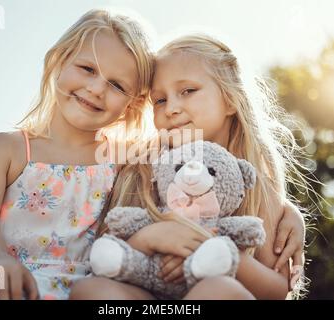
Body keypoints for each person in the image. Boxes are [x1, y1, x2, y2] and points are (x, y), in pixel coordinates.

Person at [69, 33, 306, 300]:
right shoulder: (144, 172)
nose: (171, 108)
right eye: (160, 100)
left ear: (229, 99)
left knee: (217, 290)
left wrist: (222, 253)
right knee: (91, 290)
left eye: (188, 91)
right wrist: (149, 238)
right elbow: (110, 257)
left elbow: (279, 288)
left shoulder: (255, 188)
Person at [0, 9, 154, 300]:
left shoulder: (125, 162)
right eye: (88, 69)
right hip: (14, 289)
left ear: (132, 104)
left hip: (94, 293)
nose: (96, 89)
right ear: (61, 59)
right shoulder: (6, 150)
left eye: (116, 85)